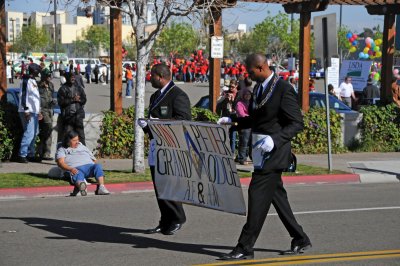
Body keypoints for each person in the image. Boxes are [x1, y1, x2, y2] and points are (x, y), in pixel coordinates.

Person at [218, 53, 311, 260]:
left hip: (275, 153)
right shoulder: (258, 88)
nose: (247, 74)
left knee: (256, 195)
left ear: (260, 68)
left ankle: (245, 246)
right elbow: (255, 119)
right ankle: (300, 238)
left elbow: (296, 123)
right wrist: (232, 120)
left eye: (250, 71)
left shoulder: (283, 88)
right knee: (277, 197)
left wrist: (275, 139)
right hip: (260, 152)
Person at [137, 63, 191, 236]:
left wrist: (156, 124)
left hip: (171, 146)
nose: (149, 78)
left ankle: (177, 218)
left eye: (151, 75)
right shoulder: (155, 96)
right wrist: (147, 126)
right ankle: (165, 220)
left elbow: (183, 121)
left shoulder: (178, 95)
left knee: (169, 184)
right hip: (156, 145)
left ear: (160, 76)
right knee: (159, 185)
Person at [56, 131, 110, 196]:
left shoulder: (83, 147)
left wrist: (94, 166)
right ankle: (82, 187)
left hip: (88, 167)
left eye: (78, 139)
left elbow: (94, 160)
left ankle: (101, 187)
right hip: (75, 168)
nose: (77, 142)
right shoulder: (62, 149)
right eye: (74, 140)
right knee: (77, 173)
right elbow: (60, 163)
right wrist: (70, 169)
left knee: (98, 166)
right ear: (68, 141)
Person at [17, 65, 42, 163]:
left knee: (35, 133)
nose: (39, 73)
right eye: (38, 71)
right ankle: (22, 154)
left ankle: (30, 154)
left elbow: (35, 98)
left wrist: (38, 111)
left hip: (34, 111)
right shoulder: (25, 80)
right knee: (29, 133)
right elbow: (23, 95)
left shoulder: (33, 80)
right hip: (27, 111)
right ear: (34, 71)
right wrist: (26, 109)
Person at [58, 73, 87, 145]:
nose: (73, 79)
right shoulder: (63, 89)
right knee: (67, 137)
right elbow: (61, 102)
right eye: (71, 77)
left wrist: (79, 100)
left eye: (74, 77)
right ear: (67, 78)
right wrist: (72, 99)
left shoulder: (79, 88)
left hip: (78, 116)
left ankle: (83, 154)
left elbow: (84, 99)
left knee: (81, 136)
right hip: (68, 117)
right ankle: (67, 154)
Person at [37, 71, 56, 160]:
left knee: (48, 131)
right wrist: (39, 111)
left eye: (50, 76)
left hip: (49, 109)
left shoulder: (51, 85)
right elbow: (35, 98)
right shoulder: (38, 85)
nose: (49, 77)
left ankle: (46, 153)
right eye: (47, 76)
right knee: (48, 127)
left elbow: (53, 95)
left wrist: (54, 101)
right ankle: (40, 151)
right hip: (42, 110)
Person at [235, 88, 252, 165]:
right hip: (243, 125)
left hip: (251, 124)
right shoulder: (239, 103)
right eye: (246, 94)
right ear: (243, 95)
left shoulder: (251, 103)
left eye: (249, 94)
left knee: (250, 142)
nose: (248, 96)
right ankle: (241, 158)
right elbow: (241, 114)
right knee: (244, 142)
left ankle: (245, 157)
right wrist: (250, 116)